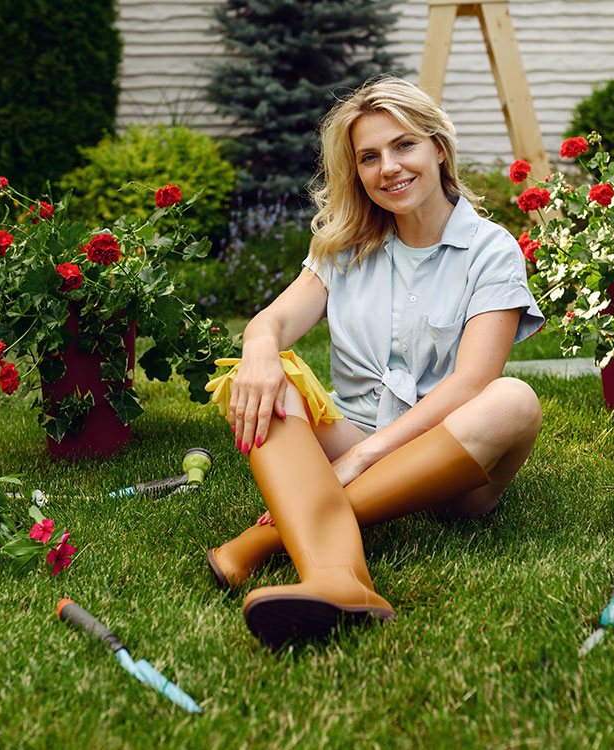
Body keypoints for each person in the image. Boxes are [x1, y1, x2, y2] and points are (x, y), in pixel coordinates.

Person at [204, 76, 544, 649]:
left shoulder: (491, 250)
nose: (389, 167)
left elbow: (472, 383)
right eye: (369, 157)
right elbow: (272, 322)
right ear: (356, 171)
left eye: (404, 145)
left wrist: (362, 457)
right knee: (263, 376)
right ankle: (338, 578)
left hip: (451, 459)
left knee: (513, 399)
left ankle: (266, 540)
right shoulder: (345, 244)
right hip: (352, 433)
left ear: (439, 148)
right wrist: (259, 350)